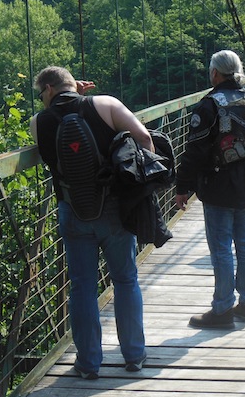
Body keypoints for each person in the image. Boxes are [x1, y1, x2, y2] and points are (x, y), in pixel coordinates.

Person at [30, 66, 154, 379]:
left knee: (82, 286)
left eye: (41, 94)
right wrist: (141, 184)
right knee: (125, 280)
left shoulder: (38, 122)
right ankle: (134, 356)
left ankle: (88, 364)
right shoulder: (106, 104)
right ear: (72, 84)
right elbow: (144, 137)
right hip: (115, 210)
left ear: (48, 89)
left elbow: (54, 140)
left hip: (73, 211)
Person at [175, 50, 245, 329]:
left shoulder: (210, 105)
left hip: (217, 185)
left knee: (221, 248)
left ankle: (222, 310)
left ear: (215, 73)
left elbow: (195, 151)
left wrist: (183, 186)